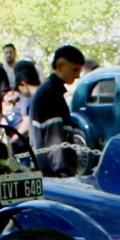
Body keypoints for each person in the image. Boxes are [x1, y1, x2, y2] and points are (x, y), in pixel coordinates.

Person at [29, 44, 84, 178]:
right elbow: (54, 139)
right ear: (60, 66)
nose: (77, 76)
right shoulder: (50, 94)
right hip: (53, 174)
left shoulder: (50, 91)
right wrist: (62, 173)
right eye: (74, 70)